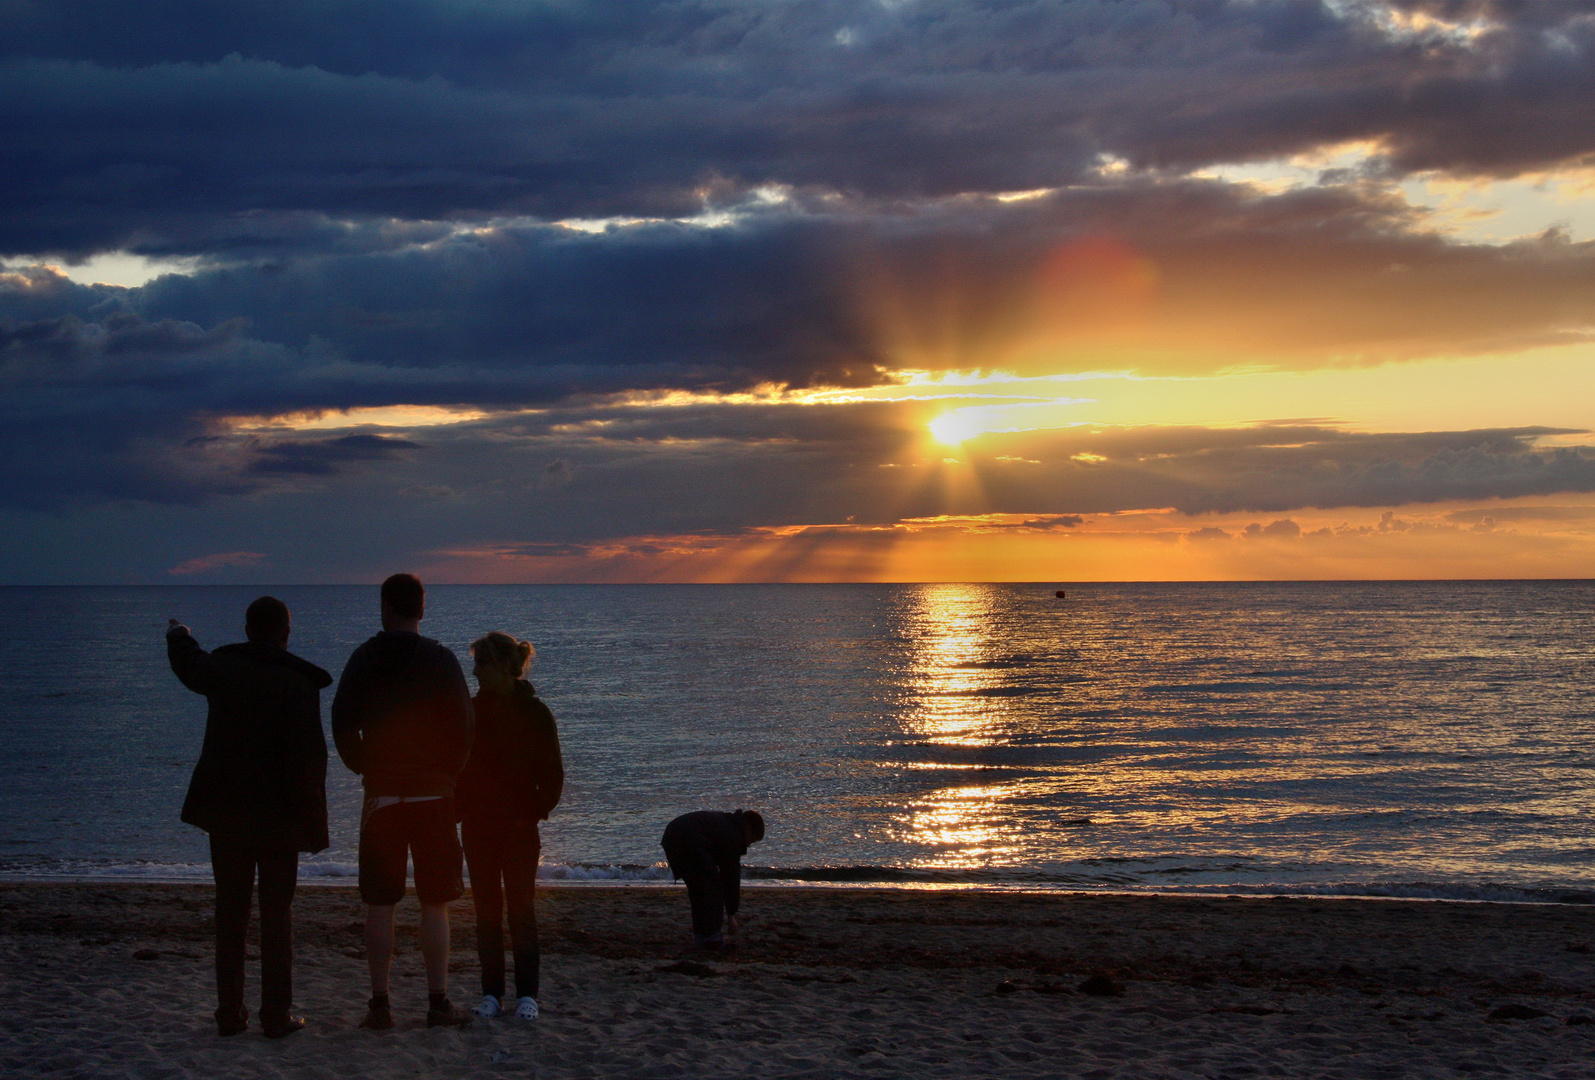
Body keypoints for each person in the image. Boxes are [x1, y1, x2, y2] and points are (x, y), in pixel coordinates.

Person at [165, 597, 331, 1039]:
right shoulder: (298, 682)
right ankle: (275, 1015)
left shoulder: (225, 669)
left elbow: (189, 665)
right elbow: (311, 760)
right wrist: (313, 823)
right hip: (280, 820)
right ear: (286, 632)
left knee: (231, 913)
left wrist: (178, 633)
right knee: (277, 916)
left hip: (229, 815)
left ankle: (229, 1015)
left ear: (246, 628)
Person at [331, 573, 475, 1030]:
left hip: (383, 796)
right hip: (433, 794)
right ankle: (437, 1002)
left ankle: (380, 1005)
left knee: (380, 901)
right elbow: (464, 728)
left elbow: (341, 722)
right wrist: (447, 775)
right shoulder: (440, 659)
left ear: (385, 607)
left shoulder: (365, 657)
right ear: (422, 609)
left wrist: (364, 767)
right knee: (436, 902)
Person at [456, 631, 564, 1022]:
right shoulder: (470, 710)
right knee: (485, 911)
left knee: (521, 910)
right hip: (477, 826)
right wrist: (459, 809)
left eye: (481, 664)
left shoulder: (536, 713)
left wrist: (530, 813)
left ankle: (527, 994)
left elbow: (552, 775)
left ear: (503, 667)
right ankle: (491, 993)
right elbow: (457, 767)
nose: (475, 672)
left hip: (519, 829)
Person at [659, 809, 765, 949]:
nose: (748, 845)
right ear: (748, 828)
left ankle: (701, 936)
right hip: (688, 840)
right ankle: (712, 938)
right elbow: (731, 876)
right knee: (713, 889)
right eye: (752, 839)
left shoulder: (726, 824)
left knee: (699, 891)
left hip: (673, 836)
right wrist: (731, 914)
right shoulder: (733, 835)